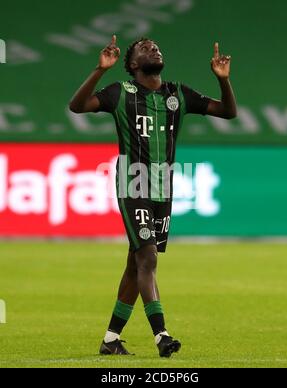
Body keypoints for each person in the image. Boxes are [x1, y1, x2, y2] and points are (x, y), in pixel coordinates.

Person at [69, 35, 237, 358]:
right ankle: (161, 335)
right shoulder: (121, 93)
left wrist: (224, 81)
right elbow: (77, 106)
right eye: (145, 48)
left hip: (163, 187)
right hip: (133, 183)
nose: (154, 48)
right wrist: (100, 70)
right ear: (133, 65)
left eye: (156, 46)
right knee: (148, 258)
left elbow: (228, 112)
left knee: (136, 265)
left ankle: (110, 339)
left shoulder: (178, 94)